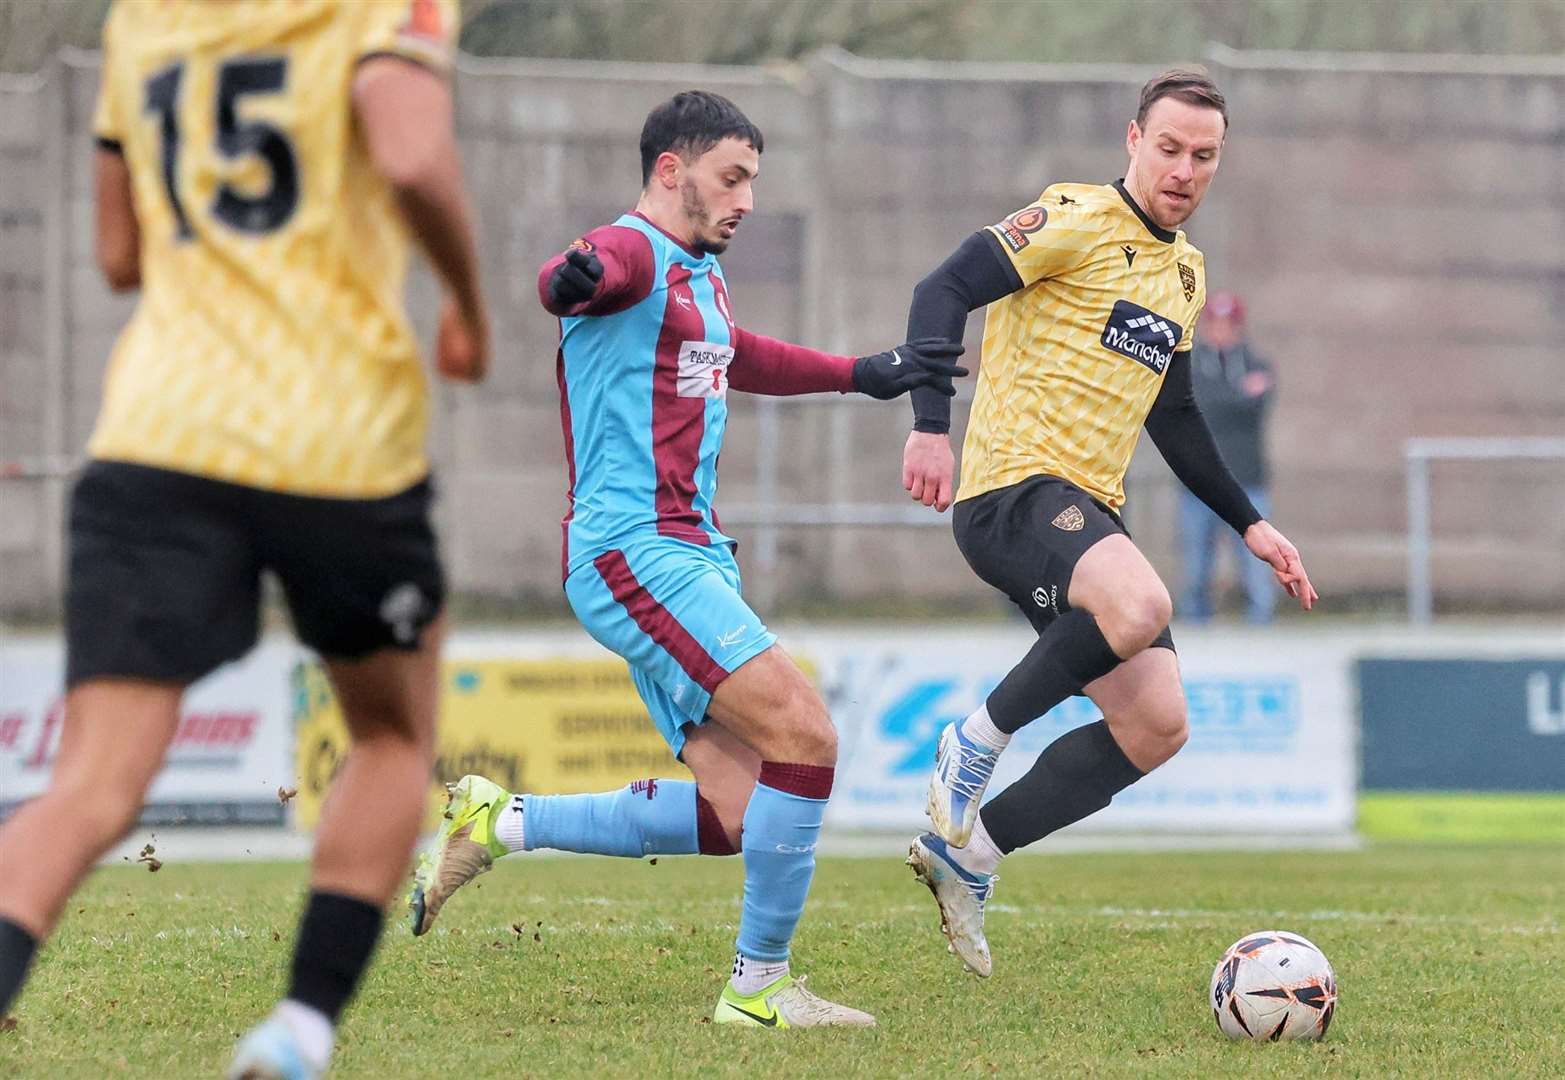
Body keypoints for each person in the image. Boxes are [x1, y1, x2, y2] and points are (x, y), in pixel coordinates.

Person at [0, 2, 489, 1076]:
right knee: (392, 739)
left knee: (87, 785)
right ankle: (301, 1028)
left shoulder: (145, 15)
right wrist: (465, 303)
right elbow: (407, 153)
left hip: (159, 435)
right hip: (341, 442)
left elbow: (118, 251)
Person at [406, 90, 964, 1029]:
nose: (746, 198)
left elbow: (738, 354)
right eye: (731, 177)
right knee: (808, 734)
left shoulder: (699, 276)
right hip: (636, 553)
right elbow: (579, 272)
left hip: (689, 556)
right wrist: (565, 277)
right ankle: (758, 990)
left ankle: (498, 823)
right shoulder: (630, 254)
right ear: (672, 171)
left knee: (738, 811)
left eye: (752, 179)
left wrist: (860, 374)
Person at [896, 69, 1317, 978]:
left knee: (1158, 724)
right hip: (1010, 490)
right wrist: (930, 427)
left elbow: (1175, 419)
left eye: (1203, 156)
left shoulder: (1185, 273)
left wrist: (1249, 525)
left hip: (1085, 515)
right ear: (1132, 140)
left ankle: (969, 857)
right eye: (1168, 148)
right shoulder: (1072, 218)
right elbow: (941, 290)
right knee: (1136, 602)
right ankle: (972, 743)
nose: (1183, 168)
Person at [1178, 290, 1277, 623]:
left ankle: (1260, 627)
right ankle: (1195, 627)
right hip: (1199, 483)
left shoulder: (1256, 361)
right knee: (1195, 568)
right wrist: (1239, 394)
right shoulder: (1191, 365)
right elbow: (1202, 405)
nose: (1221, 332)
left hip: (1247, 480)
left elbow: (1258, 404)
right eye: (1215, 324)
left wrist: (1229, 399)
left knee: (1256, 566)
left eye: (1228, 324)